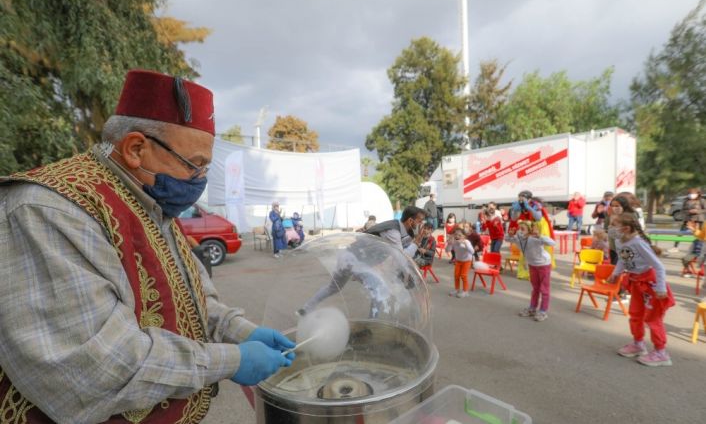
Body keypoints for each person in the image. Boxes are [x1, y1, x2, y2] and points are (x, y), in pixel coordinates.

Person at [0, 70, 295, 423]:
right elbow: (92, 370)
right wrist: (232, 360)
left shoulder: (151, 204)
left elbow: (193, 300)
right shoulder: (48, 210)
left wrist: (241, 332)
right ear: (136, 149)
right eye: (194, 165)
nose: (199, 180)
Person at [297, 206, 426, 316]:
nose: (421, 225)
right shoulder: (393, 232)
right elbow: (400, 257)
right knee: (379, 288)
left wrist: (416, 242)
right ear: (410, 221)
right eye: (419, 221)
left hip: (348, 257)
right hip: (355, 261)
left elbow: (401, 255)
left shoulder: (397, 230)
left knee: (333, 288)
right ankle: (372, 324)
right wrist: (408, 275)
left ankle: (306, 309)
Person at [609, 213, 675, 367]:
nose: (610, 228)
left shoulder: (638, 243)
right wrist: (615, 273)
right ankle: (638, 344)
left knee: (653, 319)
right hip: (636, 282)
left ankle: (661, 353)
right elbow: (622, 258)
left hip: (651, 284)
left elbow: (659, 266)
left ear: (625, 228)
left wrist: (660, 287)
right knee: (635, 314)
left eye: (613, 225)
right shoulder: (619, 241)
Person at [507, 221, 556, 322]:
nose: (520, 230)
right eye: (519, 228)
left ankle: (543, 311)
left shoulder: (534, 238)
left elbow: (552, 243)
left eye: (523, 228)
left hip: (544, 264)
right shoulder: (518, 238)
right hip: (532, 265)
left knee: (544, 289)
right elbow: (507, 239)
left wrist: (540, 236)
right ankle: (532, 308)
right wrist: (509, 234)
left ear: (529, 230)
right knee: (535, 288)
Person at [511, 190, 555, 280]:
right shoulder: (519, 205)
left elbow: (538, 217)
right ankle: (526, 272)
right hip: (528, 226)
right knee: (526, 249)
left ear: (529, 198)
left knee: (541, 249)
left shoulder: (535, 204)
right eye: (519, 197)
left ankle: (543, 270)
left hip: (540, 227)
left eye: (522, 197)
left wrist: (529, 208)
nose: (520, 199)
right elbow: (514, 218)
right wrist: (515, 210)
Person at [671, 188, 705, 253]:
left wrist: (698, 211)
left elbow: (705, 210)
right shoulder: (686, 201)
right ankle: (675, 247)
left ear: (698, 194)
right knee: (680, 233)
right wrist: (689, 211)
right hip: (688, 220)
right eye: (690, 193)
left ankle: (699, 249)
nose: (691, 195)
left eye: (693, 193)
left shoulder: (702, 200)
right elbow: (683, 210)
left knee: (699, 235)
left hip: (698, 220)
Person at [446, 227, 474, 298]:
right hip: (458, 260)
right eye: (455, 235)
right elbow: (447, 250)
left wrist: (464, 244)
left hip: (467, 261)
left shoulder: (467, 242)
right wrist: (449, 244)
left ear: (464, 236)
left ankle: (465, 291)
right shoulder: (454, 242)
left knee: (463, 275)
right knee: (456, 275)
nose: (457, 236)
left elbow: (472, 251)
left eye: (459, 235)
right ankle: (457, 289)